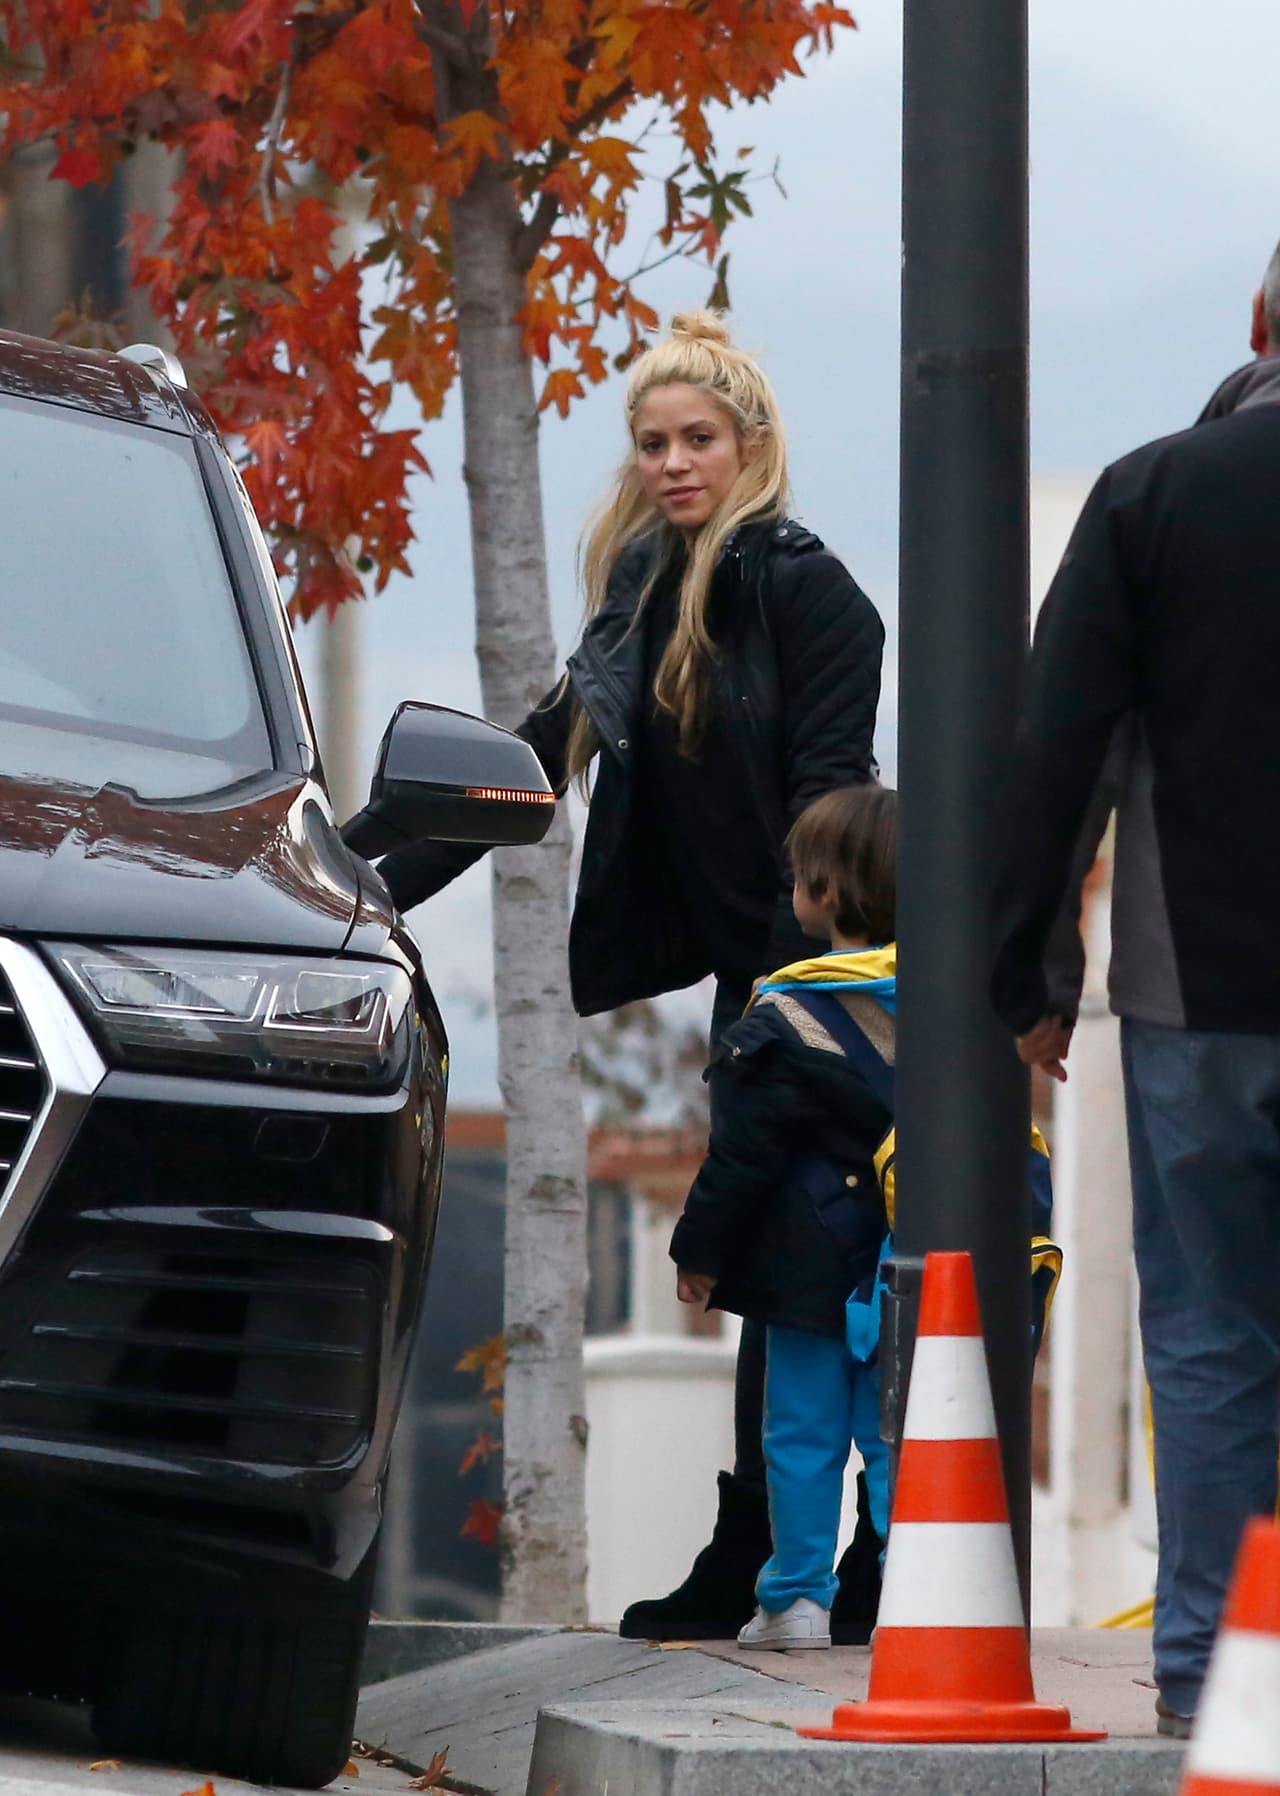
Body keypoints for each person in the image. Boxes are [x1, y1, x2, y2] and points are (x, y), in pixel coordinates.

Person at [377, 311, 887, 1641]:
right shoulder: (641, 601)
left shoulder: (804, 587)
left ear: (752, 447)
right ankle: (771, 1559)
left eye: (697, 439)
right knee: (788, 1280)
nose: (670, 462)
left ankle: (858, 1567)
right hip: (757, 990)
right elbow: (532, 766)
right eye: (651, 442)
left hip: (837, 984)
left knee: (832, 1282)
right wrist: (364, 879)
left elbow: (835, 804)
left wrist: (811, 996)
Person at [990, 240, 1280, 1737]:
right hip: (1196, 997)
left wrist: (1028, 969)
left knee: (1218, 1341)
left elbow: (1062, 750)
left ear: (1258, 323)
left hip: (1199, 998)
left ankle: (1222, 1687)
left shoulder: (1158, 495)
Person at [669, 785, 896, 1649]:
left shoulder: (789, 1013)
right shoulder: (952, 1005)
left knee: (800, 1434)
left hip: (808, 1267)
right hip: (911, 1264)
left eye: (800, 877)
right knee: (896, 1437)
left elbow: (745, 1155)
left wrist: (701, 1251)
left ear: (827, 894)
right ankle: (916, 1584)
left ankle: (797, 1599)